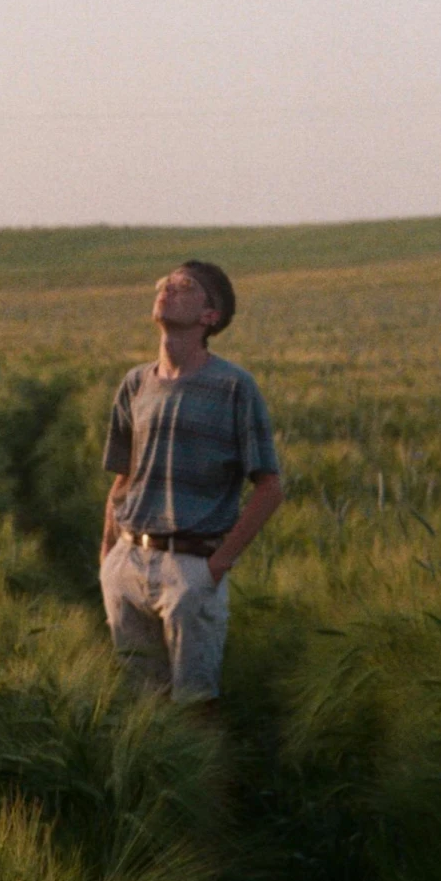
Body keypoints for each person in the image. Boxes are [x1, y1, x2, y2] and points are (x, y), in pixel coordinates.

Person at [99, 260, 283, 704]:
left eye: (184, 287)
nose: (167, 289)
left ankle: (206, 774)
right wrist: (108, 556)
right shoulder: (135, 383)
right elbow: (124, 475)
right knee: (141, 704)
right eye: (165, 283)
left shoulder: (235, 387)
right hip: (128, 561)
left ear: (209, 316)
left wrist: (217, 565)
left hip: (191, 567)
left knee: (195, 705)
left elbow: (270, 487)